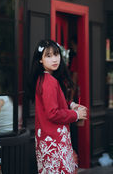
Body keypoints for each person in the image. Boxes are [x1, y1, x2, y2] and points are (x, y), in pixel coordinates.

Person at [30, 39, 87, 174]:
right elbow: (53, 113)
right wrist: (76, 115)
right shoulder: (49, 81)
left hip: (46, 139)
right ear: (40, 60)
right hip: (54, 140)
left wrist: (71, 104)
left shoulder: (43, 78)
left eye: (56, 54)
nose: (54, 59)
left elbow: (52, 102)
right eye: (48, 56)